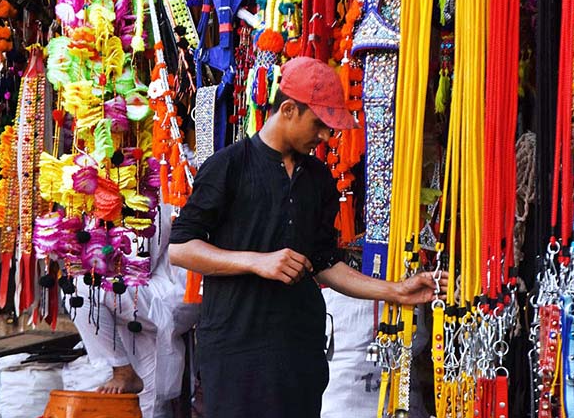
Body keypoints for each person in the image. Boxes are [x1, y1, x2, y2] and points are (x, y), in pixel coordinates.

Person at [169, 56, 448, 418]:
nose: (325, 136)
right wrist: (257, 261)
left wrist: (394, 290)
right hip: (236, 349)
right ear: (288, 109)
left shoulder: (319, 178)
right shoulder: (228, 166)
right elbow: (181, 249)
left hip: (299, 350)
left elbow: (324, 262)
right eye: (319, 124)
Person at [72, 203, 200, 418]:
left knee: (80, 289)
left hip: (171, 293)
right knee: (149, 401)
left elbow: (140, 258)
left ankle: (122, 370)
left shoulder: (157, 186)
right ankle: (127, 372)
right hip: (147, 292)